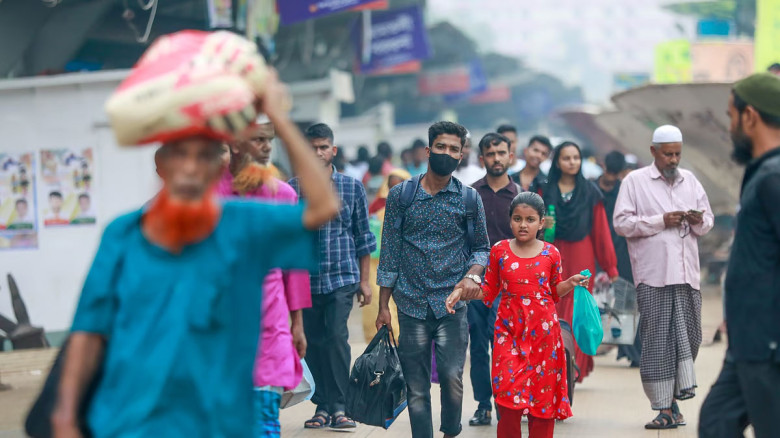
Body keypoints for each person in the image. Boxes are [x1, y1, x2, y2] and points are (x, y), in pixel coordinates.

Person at [52, 34, 340, 438]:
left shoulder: (241, 222)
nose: (191, 167)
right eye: (180, 155)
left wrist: (276, 114)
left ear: (219, 165)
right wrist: (65, 416)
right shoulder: (125, 234)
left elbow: (322, 207)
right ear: (162, 165)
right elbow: (88, 331)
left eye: (203, 156)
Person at [376, 121, 490, 438]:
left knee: (452, 378)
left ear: (461, 155)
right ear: (428, 150)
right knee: (416, 386)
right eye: (441, 147)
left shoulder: (469, 198)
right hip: (410, 304)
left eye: (454, 149)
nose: (446, 153)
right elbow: (390, 251)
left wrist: (472, 276)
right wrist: (383, 306)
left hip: (452, 305)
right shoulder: (401, 195)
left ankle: (451, 431)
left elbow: (482, 248)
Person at [446, 192, 587, 438]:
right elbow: (489, 290)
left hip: (545, 338)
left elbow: (554, 291)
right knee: (507, 398)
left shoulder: (551, 253)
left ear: (541, 223)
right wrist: (462, 292)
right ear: (510, 220)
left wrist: (571, 283)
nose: (523, 224)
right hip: (508, 335)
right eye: (518, 218)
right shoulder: (499, 250)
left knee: (542, 404)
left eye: (530, 219)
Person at [216, 117, 311, 438]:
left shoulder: (283, 194)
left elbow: (293, 266)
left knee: (266, 418)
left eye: (269, 140)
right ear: (234, 144)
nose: (267, 146)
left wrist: (297, 323)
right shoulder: (207, 193)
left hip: (271, 320)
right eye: (258, 139)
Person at [613, 125, 714, 430]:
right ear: (653, 151)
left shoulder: (690, 181)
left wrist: (697, 220)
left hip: (686, 275)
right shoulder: (634, 181)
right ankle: (663, 407)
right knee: (658, 343)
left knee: (691, 339)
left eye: (677, 154)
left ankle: (674, 401)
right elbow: (621, 223)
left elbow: (707, 221)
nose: (673, 160)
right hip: (653, 276)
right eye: (668, 154)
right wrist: (661, 221)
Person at [699, 73, 780, 438]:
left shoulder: (773, 177)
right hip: (749, 340)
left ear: (750, 116)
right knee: (717, 422)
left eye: (731, 116)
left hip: (768, 343)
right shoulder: (762, 172)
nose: (730, 127)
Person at [290, 123, 376, 430]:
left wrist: (364, 282)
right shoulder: (293, 189)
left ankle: (340, 406)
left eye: (323, 147)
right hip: (306, 280)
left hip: (342, 278)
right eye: (311, 148)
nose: (318, 153)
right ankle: (322, 406)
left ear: (333, 150)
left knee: (337, 338)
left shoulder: (352, 188)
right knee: (312, 341)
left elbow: (363, 237)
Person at [541, 141, 619, 383]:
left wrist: (610, 266)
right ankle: (552, 364)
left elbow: (601, 232)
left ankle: (572, 367)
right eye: (566, 158)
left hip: (581, 254)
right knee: (551, 308)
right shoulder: (544, 190)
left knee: (579, 310)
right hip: (551, 255)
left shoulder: (590, 193)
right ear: (557, 162)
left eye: (575, 157)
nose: (572, 162)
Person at [465, 132, 518, 426]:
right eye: (490, 153)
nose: (496, 158)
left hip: (510, 285)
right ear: (481, 158)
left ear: (510, 156)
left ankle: (505, 403)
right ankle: (483, 404)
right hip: (477, 282)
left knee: (505, 346)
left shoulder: (520, 196)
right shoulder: (470, 194)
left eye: (501, 153)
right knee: (478, 345)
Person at [596, 151, 641, 367]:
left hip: (619, 250)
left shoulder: (622, 190)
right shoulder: (593, 189)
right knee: (604, 298)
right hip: (602, 249)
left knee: (625, 298)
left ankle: (629, 348)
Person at [361, 168, 411, 343]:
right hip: (379, 264)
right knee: (381, 303)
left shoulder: (416, 207)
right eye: (392, 187)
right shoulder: (377, 208)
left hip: (406, 266)